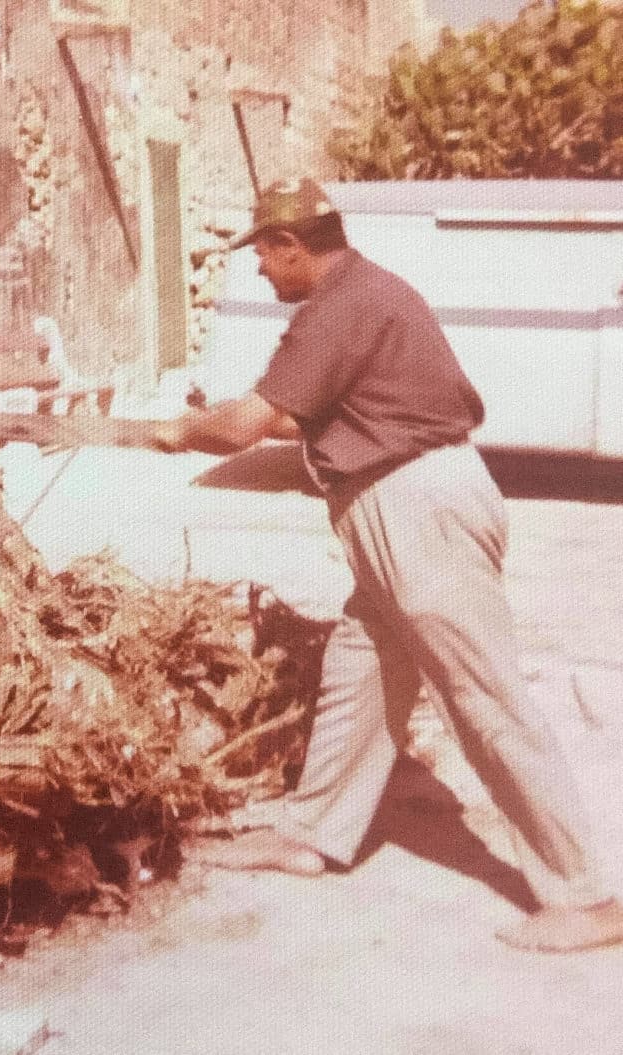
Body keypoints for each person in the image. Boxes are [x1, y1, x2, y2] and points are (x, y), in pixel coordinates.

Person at [152, 177, 623, 953]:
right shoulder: (368, 290)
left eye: (264, 256)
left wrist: (175, 430)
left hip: (417, 509)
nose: (261, 272)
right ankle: (312, 830)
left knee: (483, 693)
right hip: (400, 507)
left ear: (293, 246)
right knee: (363, 660)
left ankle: (585, 893)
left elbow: (244, 427)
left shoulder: (339, 309)